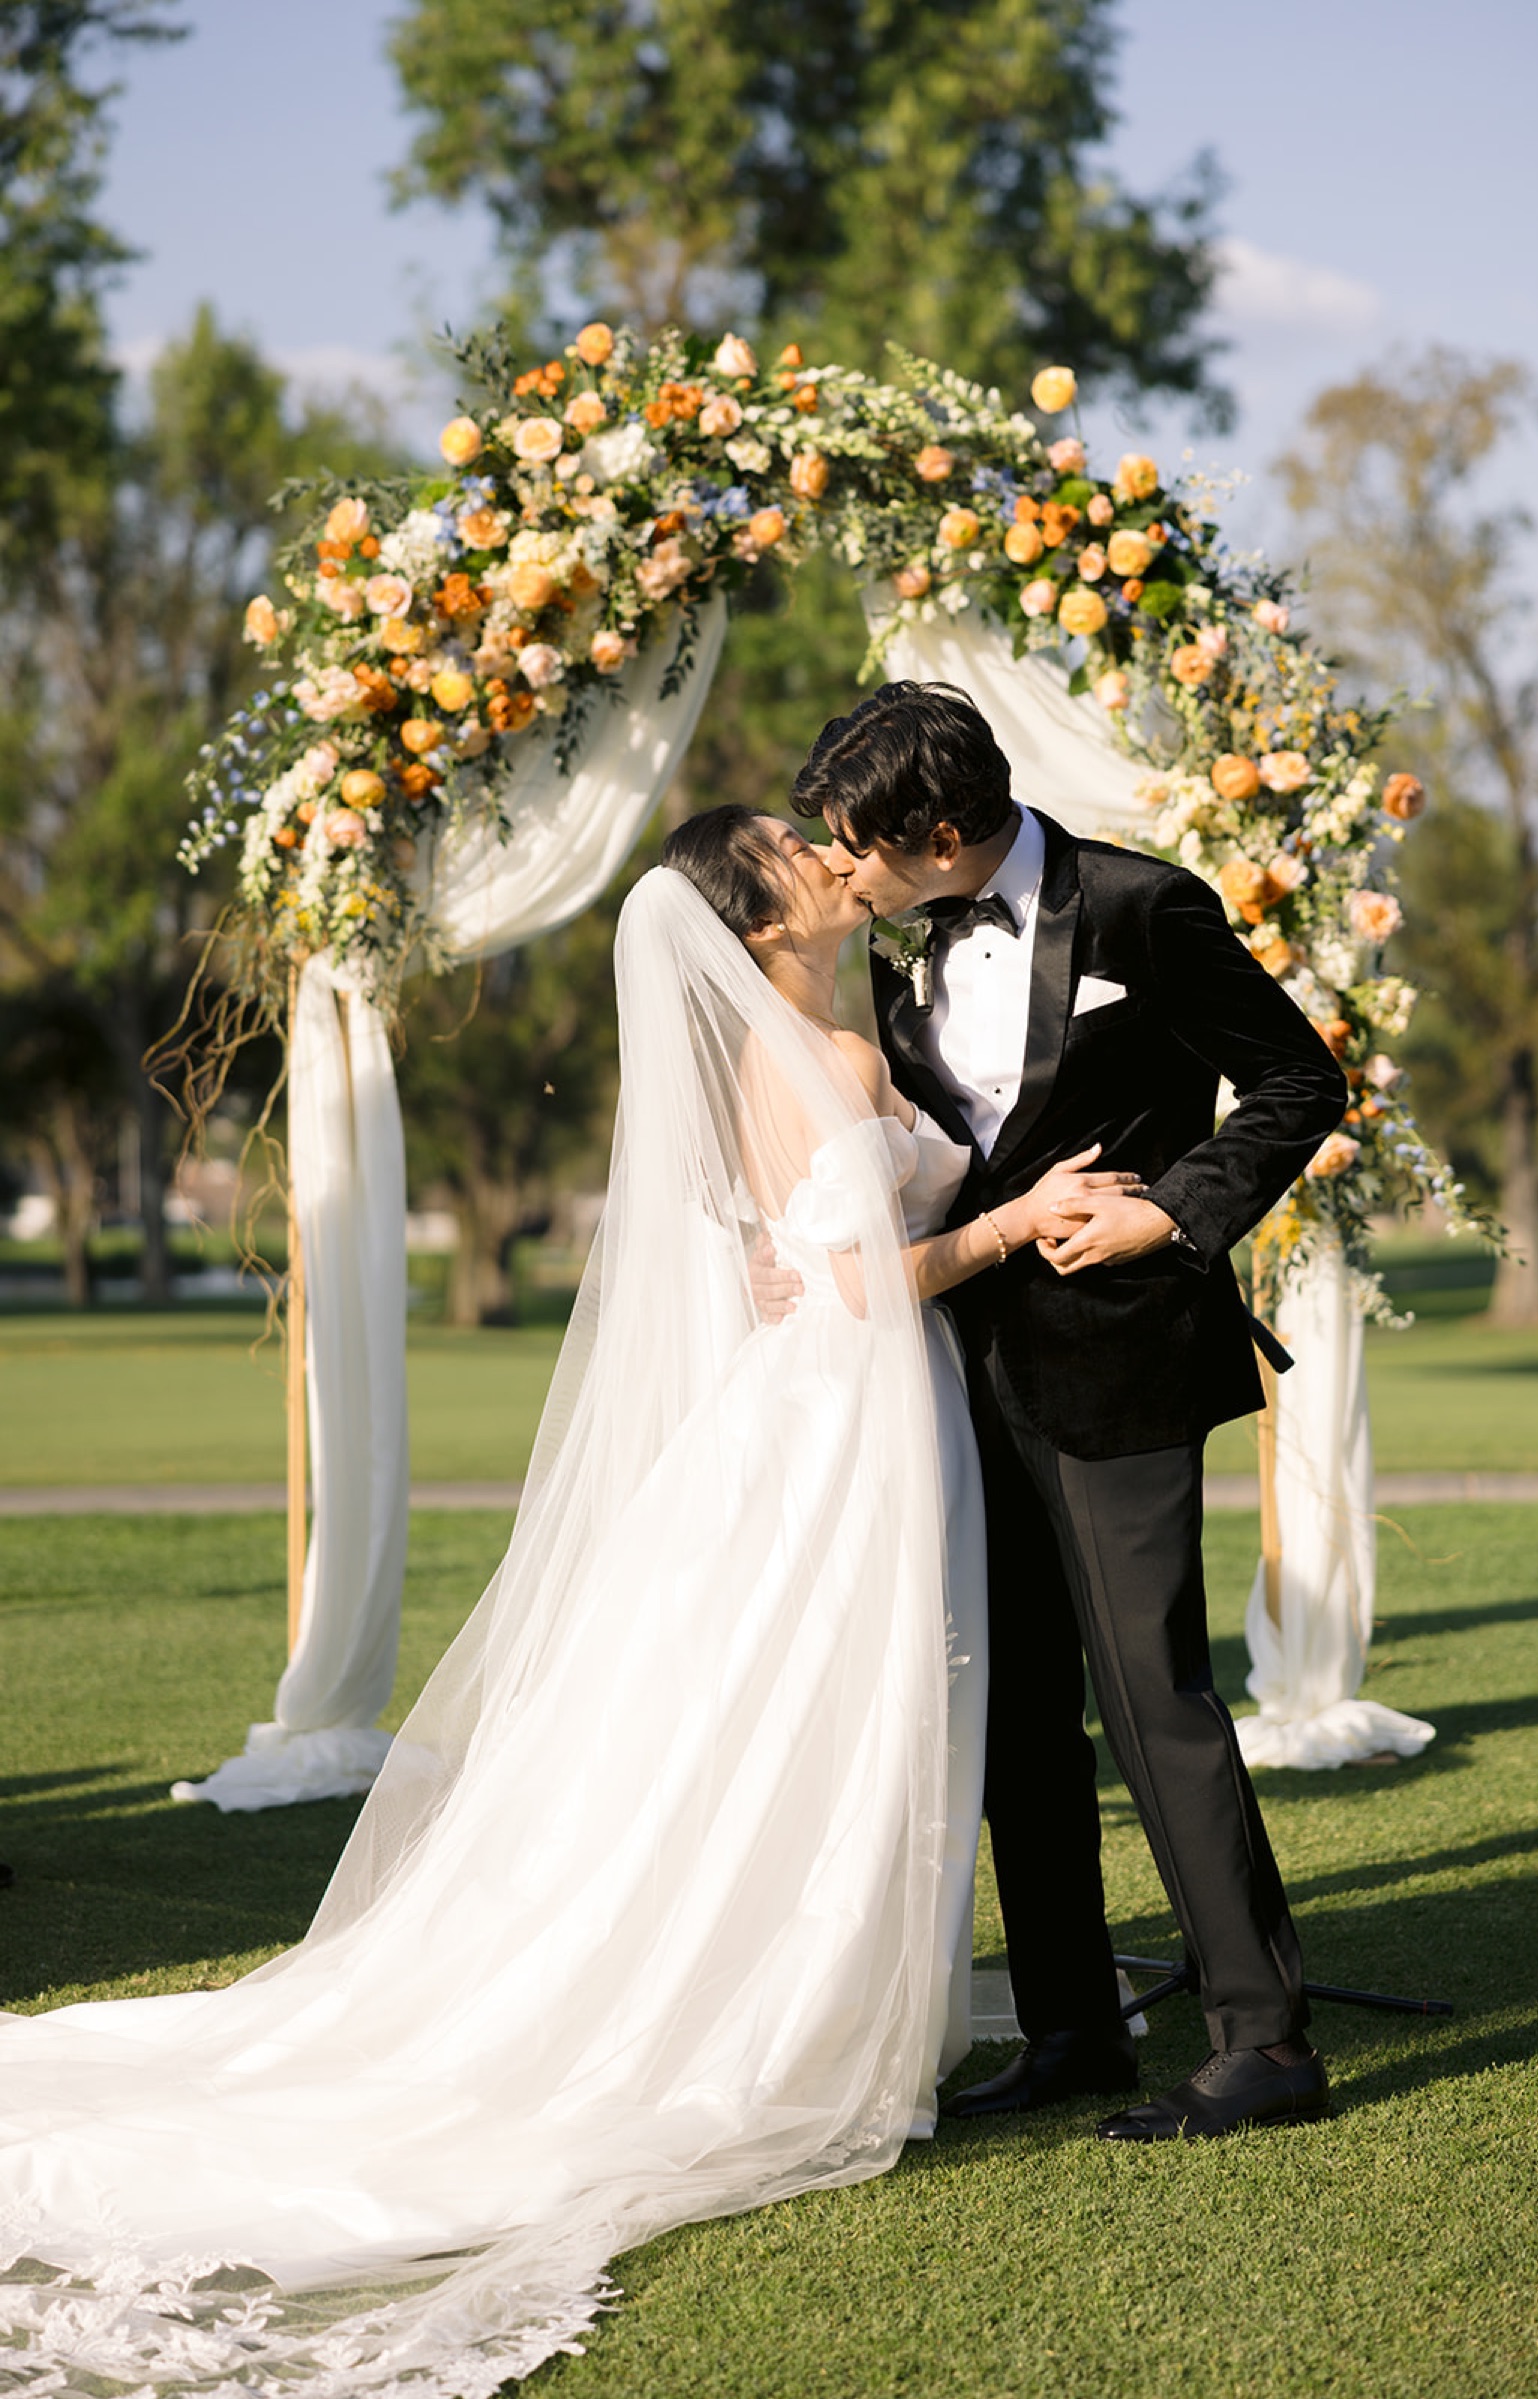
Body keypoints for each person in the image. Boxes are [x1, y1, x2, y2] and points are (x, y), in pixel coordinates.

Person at [0, 812, 1128, 2396]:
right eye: (797, 849)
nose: (827, 852)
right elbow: (845, 1282)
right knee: (793, 1716)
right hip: (826, 1434)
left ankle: (849, 1992)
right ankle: (759, 2012)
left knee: (866, 1714)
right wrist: (1006, 1228)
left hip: (884, 1419)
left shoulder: (845, 1024)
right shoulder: (776, 1064)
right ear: (754, 918)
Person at [792, 679, 1350, 2143]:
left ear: (944, 830)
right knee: (1022, 1717)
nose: (838, 869)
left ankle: (1264, 2043)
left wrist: (1172, 1213)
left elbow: (1300, 1077)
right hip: (961, 1368)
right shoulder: (902, 942)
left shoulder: (1142, 909)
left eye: (856, 845)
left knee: (1152, 1697)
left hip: (1120, 1362)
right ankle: (1070, 2030)